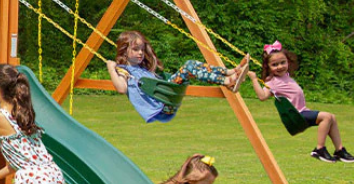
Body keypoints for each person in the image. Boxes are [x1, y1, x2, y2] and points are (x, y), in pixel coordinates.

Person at [247, 41, 354, 163]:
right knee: (326, 117)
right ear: (268, 67)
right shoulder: (272, 82)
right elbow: (262, 97)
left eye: (283, 62)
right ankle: (319, 149)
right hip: (296, 116)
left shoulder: (286, 76)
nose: (280, 66)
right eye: (274, 65)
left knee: (332, 118)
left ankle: (339, 150)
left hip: (303, 111)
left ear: (288, 62)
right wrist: (254, 79)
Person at [106, 30, 250, 123]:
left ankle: (231, 72)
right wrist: (111, 69)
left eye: (142, 50)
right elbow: (121, 88)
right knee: (188, 68)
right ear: (124, 51)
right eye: (135, 49)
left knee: (191, 64)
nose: (140, 53)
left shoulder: (142, 68)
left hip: (167, 98)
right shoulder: (124, 71)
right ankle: (227, 81)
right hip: (162, 106)